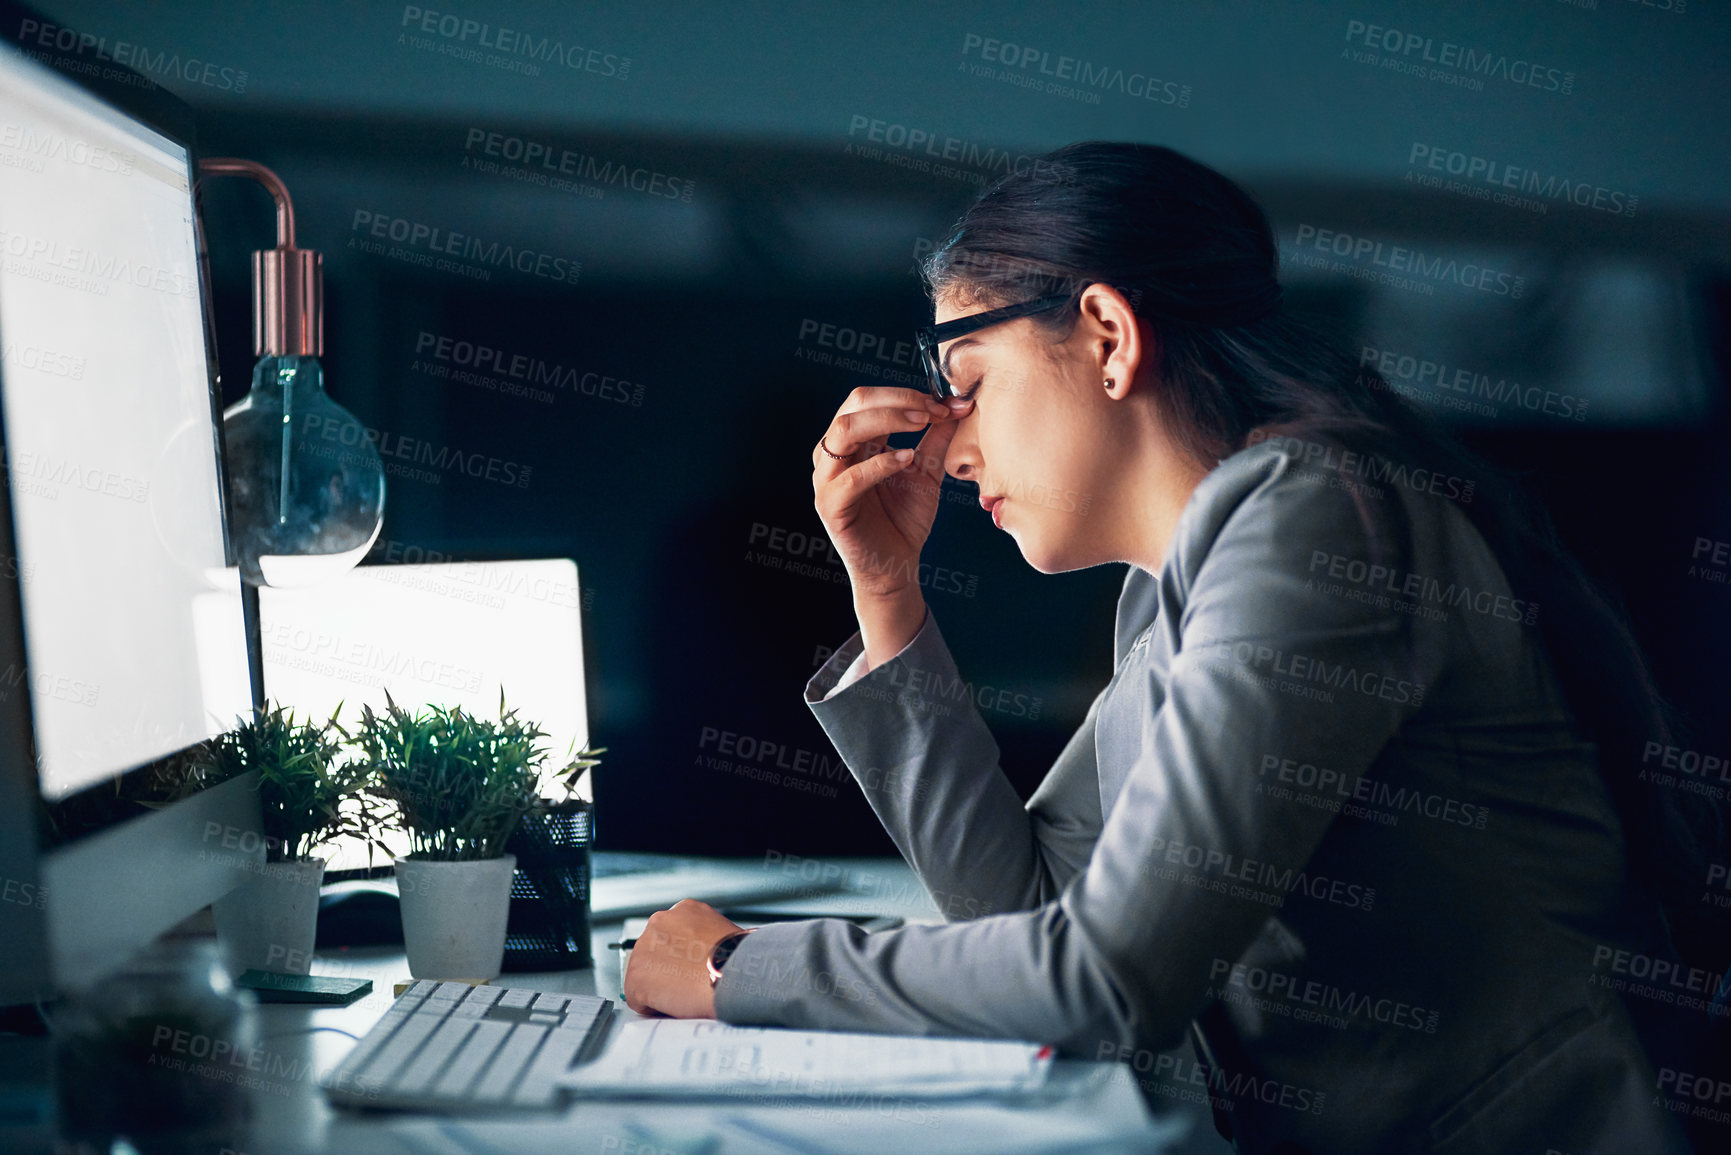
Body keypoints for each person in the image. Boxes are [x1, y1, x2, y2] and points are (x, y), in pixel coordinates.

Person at [622, 142, 1719, 1153]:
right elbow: (1033, 919)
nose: (948, 448)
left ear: (1107, 334)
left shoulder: (1310, 520)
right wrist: (886, 591)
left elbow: (1106, 979)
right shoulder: (1177, 584)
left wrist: (736, 968)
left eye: (970, 386)